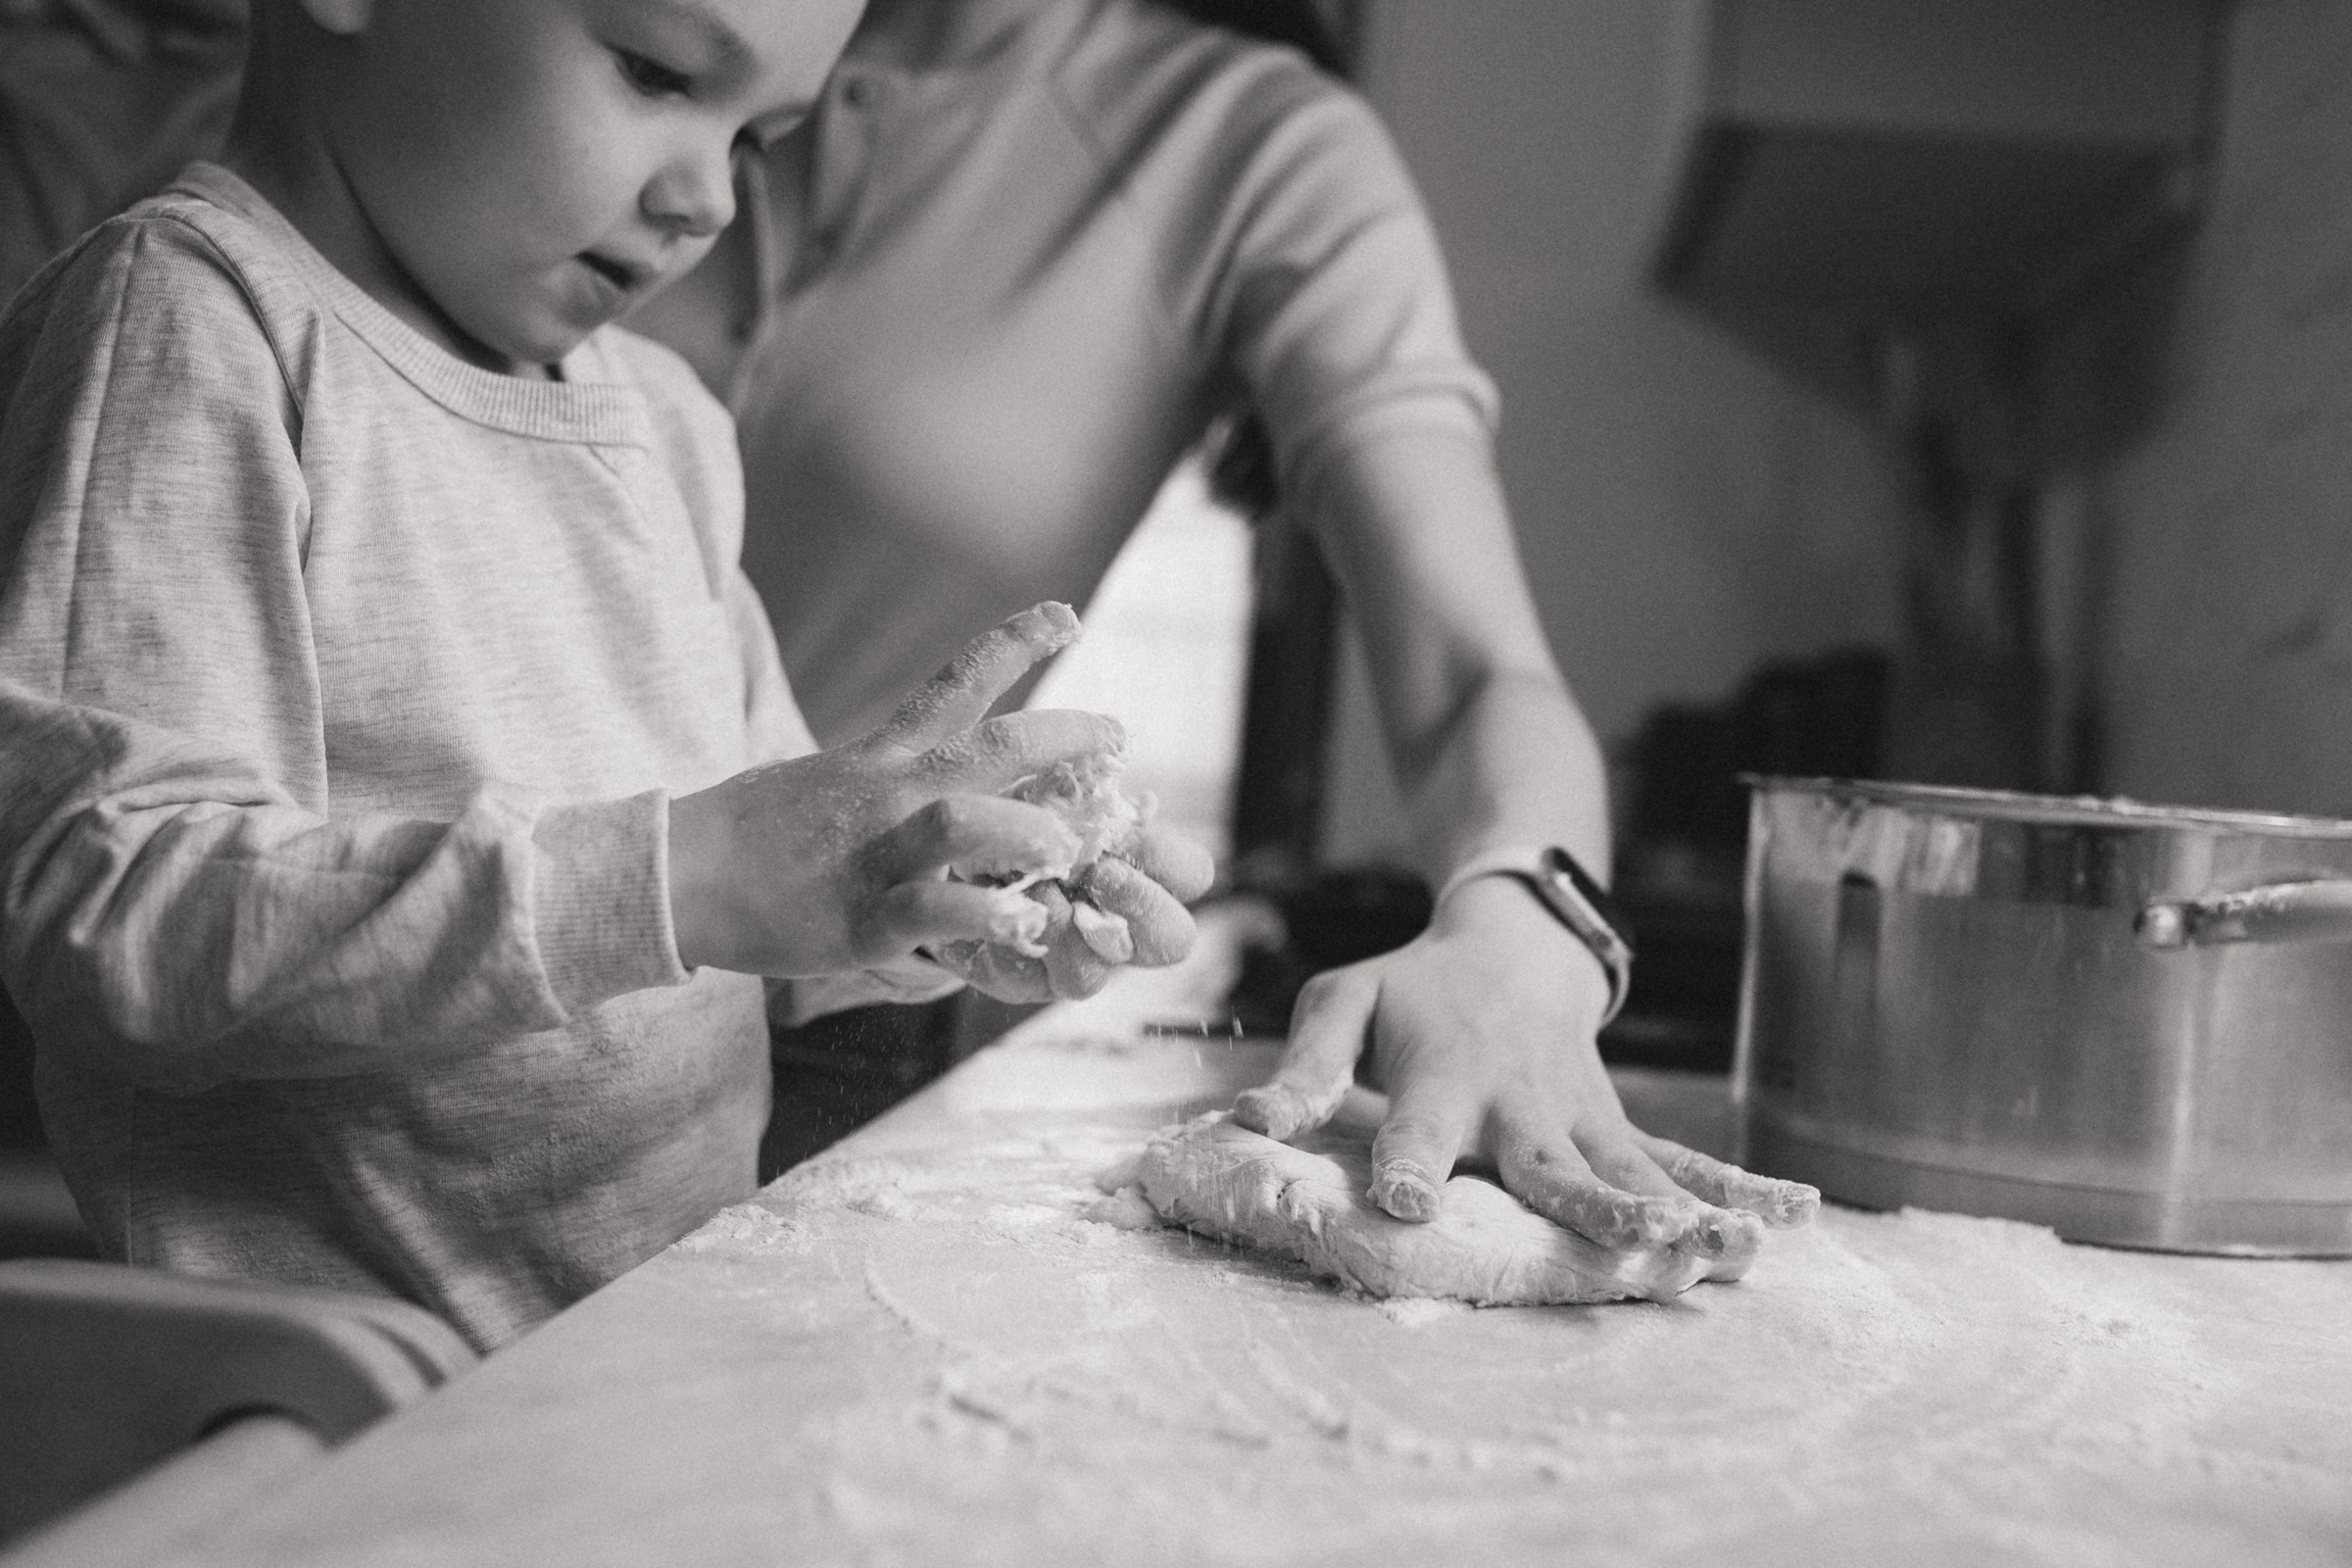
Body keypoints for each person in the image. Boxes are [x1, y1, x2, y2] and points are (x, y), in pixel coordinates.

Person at [0, 0, 1205, 1350]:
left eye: (757, 139)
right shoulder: (194, 324)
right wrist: (683, 876)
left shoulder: (668, 431)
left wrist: (932, 892)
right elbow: (122, 916)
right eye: (656, 73)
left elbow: (761, 920)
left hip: (655, 1366)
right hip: (358, 1435)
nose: (707, 201)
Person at [629, 0, 1816, 1250]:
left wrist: (1527, 936)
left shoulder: (1243, 146)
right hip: (437, 907)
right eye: (650, 76)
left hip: (823, 1008)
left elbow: (1478, 672)